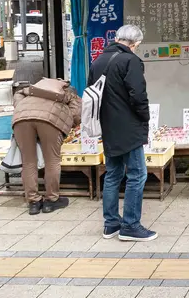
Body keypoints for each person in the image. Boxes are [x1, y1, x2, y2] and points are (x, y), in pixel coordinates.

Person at [88, 24, 156, 242]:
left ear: (117, 39)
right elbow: (138, 95)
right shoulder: (130, 61)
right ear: (135, 43)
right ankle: (130, 226)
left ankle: (111, 224)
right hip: (129, 127)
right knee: (138, 174)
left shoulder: (98, 61)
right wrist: (145, 117)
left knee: (113, 173)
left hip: (108, 126)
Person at [12, 78, 82, 215]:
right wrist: (69, 123)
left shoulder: (33, 88)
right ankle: (51, 200)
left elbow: (17, 95)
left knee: (28, 162)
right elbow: (76, 112)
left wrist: (24, 109)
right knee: (52, 161)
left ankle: (33, 202)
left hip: (21, 119)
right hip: (50, 121)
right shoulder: (68, 91)